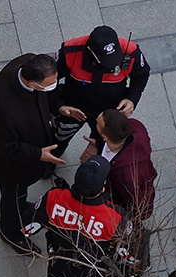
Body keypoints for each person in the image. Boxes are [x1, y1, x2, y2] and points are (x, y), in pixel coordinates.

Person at [0, 53, 70, 255]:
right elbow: (4, 147)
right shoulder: (4, 107)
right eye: (49, 83)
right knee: (13, 199)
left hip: (28, 156)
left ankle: (20, 208)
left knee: (19, 198)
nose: (53, 86)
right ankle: (11, 232)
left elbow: (46, 96)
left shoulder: (29, 63)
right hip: (10, 167)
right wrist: (38, 154)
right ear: (30, 81)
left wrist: (59, 108)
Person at [27, 155, 133, 277]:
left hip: (62, 260)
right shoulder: (116, 218)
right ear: (102, 188)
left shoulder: (54, 197)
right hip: (96, 266)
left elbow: (30, 226)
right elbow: (126, 252)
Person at [49, 25, 151, 173]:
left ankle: (94, 167)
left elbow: (141, 76)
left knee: (102, 141)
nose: (112, 64)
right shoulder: (70, 51)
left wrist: (132, 99)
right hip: (72, 109)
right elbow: (48, 81)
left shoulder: (130, 51)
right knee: (60, 136)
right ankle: (51, 159)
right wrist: (59, 106)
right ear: (90, 51)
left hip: (108, 114)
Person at [82, 108, 157, 273]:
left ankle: (140, 260)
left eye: (98, 123)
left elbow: (136, 206)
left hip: (121, 208)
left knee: (131, 234)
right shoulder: (134, 127)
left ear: (105, 136)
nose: (95, 122)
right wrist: (99, 145)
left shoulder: (125, 176)